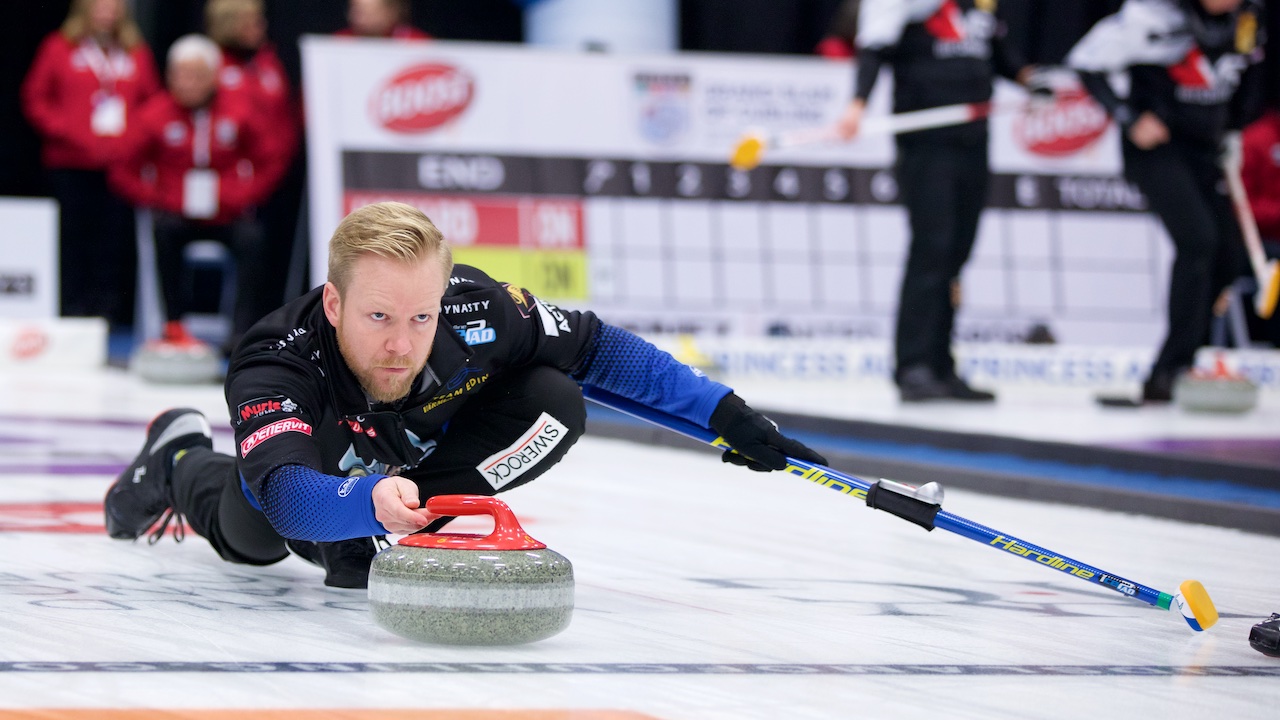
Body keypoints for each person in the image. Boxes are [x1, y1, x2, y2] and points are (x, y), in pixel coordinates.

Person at [102, 201, 827, 589]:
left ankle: (391, 526)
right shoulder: (274, 358)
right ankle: (178, 459)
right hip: (308, 471)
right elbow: (289, 494)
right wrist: (357, 505)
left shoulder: (478, 310)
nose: (401, 342)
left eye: (419, 317)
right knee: (257, 541)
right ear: (333, 305)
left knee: (555, 402)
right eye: (378, 317)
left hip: (401, 461)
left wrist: (727, 415)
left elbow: (600, 349)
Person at [835, 0, 1046, 402]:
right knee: (932, 249)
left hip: (973, 141)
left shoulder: (978, 9)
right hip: (926, 146)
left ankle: (941, 365)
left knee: (957, 255)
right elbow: (874, 51)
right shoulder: (906, 5)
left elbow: (998, 56)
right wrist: (856, 105)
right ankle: (913, 365)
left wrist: (1030, 81)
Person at [1066, 0, 1266, 402]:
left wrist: (1232, 130)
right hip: (1157, 152)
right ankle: (1166, 372)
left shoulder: (1247, 19)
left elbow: (1246, 78)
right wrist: (1127, 116)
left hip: (1205, 151)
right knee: (1198, 243)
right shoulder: (1152, 14)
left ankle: (1187, 360)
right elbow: (1085, 62)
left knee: (1227, 255)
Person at [109, 34, 288, 351]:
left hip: (226, 212)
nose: (187, 83)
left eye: (195, 75)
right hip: (177, 212)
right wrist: (155, 197)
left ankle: (241, 333)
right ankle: (174, 325)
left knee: (254, 239)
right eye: (179, 74)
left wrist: (245, 195)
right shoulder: (155, 113)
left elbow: (271, 157)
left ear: (213, 77)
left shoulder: (239, 110)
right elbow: (122, 165)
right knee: (162, 231)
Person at [20, 0, 162, 331]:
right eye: (101, 7)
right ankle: (71, 309)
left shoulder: (136, 52)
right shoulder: (59, 48)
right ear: (84, 10)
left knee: (112, 242)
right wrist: (69, 131)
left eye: (114, 8)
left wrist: (129, 139)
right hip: (71, 161)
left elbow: (151, 103)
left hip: (119, 164)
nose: (107, 14)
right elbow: (36, 98)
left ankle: (107, 313)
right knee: (72, 238)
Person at [337, 0, 431, 40]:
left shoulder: (418, 44)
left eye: (369, 13)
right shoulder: (339, 44)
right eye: (356, 11)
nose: (359, 19)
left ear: (392, 12)